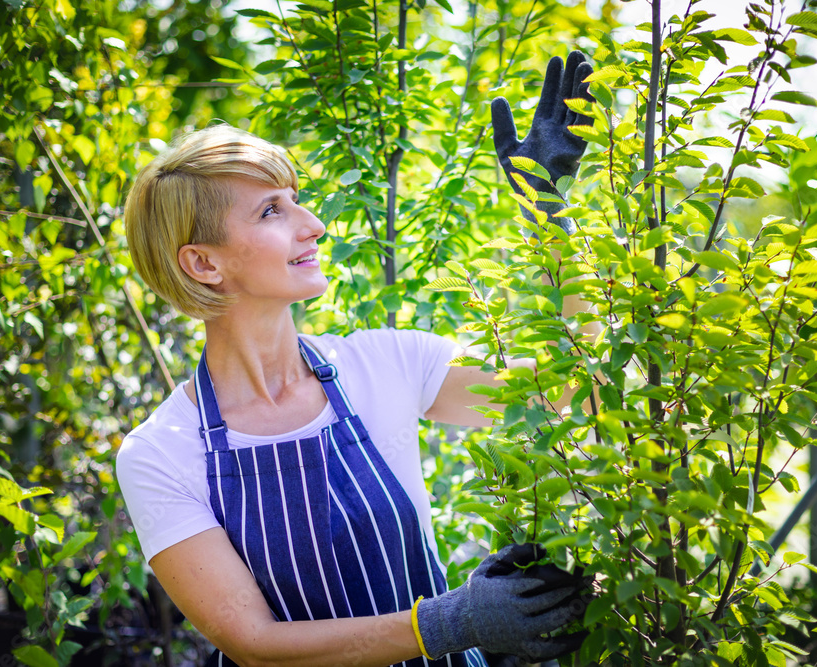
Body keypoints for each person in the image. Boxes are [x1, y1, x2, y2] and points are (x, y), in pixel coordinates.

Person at [116, 51, 596, 667]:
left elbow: (568, 393)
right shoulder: (163, 452)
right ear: (204, 263)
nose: (312, 223)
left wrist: (549, 212)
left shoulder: (385, 363)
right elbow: (256, 646)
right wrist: (453, 622)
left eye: (295, 199)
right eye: (272, 211)